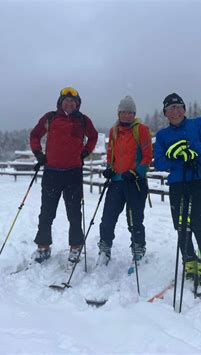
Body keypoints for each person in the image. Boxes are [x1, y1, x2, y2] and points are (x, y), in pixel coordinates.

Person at [153, 93, 201, 295]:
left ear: (184, 109)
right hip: (178, 184)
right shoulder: (162, 136)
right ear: (165, 113)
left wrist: (192, 148)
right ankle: (189, 263)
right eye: (171, 108)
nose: (175, 111)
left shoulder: (200, 124)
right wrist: (175, 154)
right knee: (182, 227)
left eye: (179, 107)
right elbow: (160, 162)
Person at [30, 87, 98, 264]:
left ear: (77, 104)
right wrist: (39, 154)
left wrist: (84, 153)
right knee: (47, 212)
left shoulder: (83, 120)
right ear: (60, 103)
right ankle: (43, 246)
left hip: (73, 173)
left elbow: (93, 137)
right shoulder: (50, 118)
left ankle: (76, 247)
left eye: (73, 101)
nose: (69, 103)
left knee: (74, 213)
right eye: (66, 100)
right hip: (52, 172)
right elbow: (35, 135)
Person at [97, 96, 153, 266]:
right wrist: (110, 168)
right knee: (108, 217)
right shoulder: (114, 131)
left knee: (134, 218)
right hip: (116, 182)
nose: (127, 115)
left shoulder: (141, 130)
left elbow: (147, 156)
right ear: (119, 113)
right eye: (124, 112)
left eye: (131, 113)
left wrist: (136, 172)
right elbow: (111, 154)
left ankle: (138, 248)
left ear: (134, 114)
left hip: (135, 182)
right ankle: (105, 248)